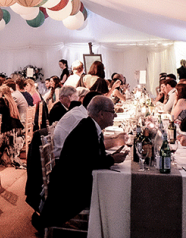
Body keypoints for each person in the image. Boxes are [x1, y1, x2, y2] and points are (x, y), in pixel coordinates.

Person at [33, 96, 128, 230]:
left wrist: (112, 157)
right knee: (116, 192)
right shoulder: (86, 130)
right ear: (101, 113)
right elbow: (88, 163)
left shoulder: (90, 126)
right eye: (112, 111)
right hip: (70, 187)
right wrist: (112, 159)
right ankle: (108, 229)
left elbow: (90, 158)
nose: (115, 115)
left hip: (72, 178)